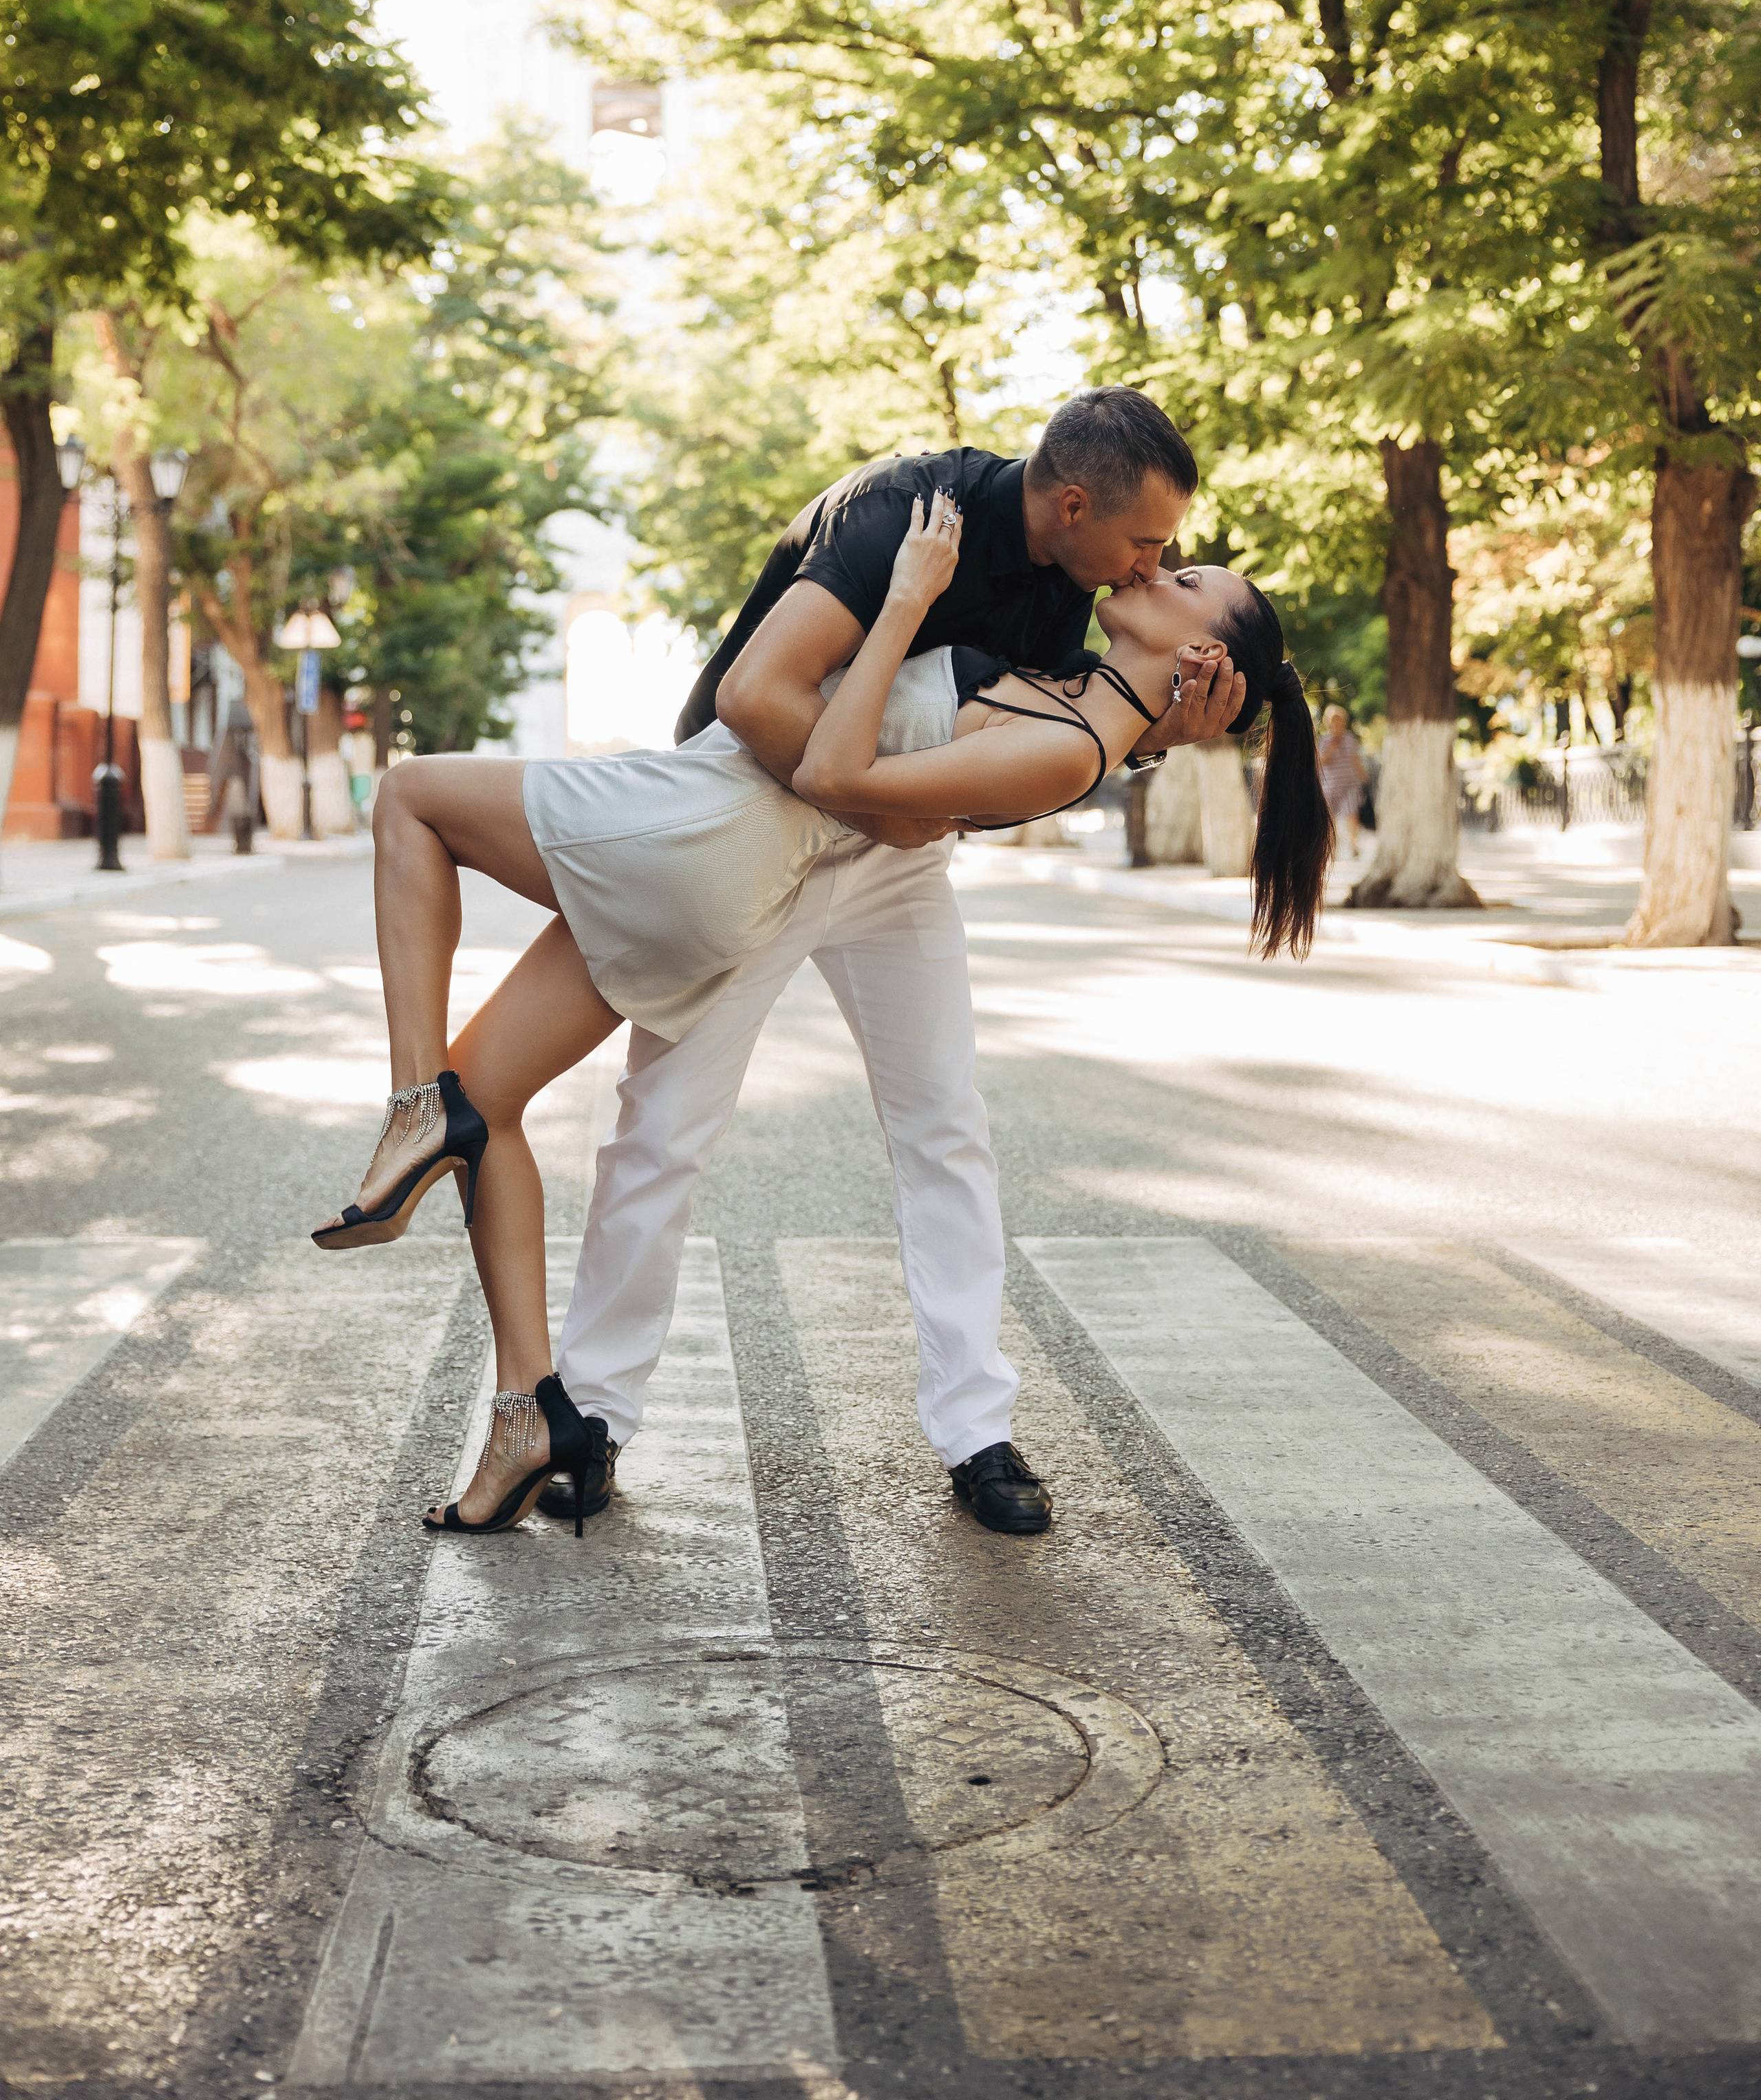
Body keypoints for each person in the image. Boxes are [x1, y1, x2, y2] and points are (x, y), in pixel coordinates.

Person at [316, 484, 1331, 1540]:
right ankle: (596, 1417)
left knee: (944, 1124)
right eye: (1150, 544)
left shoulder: (1081, 602)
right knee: (659, 1131)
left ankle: (976, 1429)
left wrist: (1177, 727)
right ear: (1073, 503)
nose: (1150, 567)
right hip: (763, 840)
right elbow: (802, 708)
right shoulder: (919, 510)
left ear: (1208, 654)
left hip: (893, 863)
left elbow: (1070, 737)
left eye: (1176, 569)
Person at [1318, 704, 1370, 859]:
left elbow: (1356, 760)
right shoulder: (1324, 740)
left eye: (1340, 721)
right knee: (1330, 819)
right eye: (1333, 721)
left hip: (1350, 784)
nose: (1337, 725)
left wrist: (1364, 777)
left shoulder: (1350, 739)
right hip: (1330, 785)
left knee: (1352, 813)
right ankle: (1331, 848)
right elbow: (1321, 761)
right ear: (1328, 723)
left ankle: (1354, 845)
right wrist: (1331, 749)